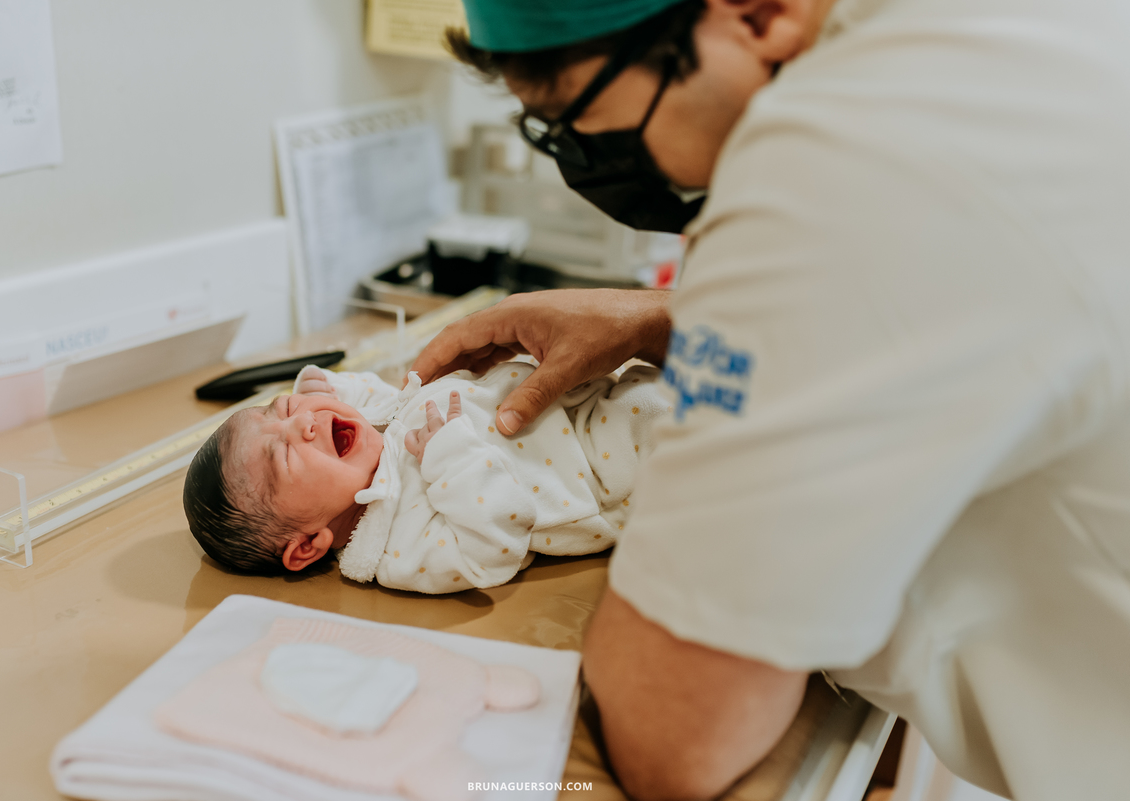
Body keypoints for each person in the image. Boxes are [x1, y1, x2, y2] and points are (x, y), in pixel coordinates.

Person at [410, 0, 1130, 798]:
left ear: (759, 14)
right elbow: (951, 299)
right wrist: (668, 318)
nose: (583, 161)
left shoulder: (838, 160)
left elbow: (676, 735)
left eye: (580, 122)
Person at [182, 363, 666, 593]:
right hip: (622, 467)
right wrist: (450, 460)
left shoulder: (366, 436)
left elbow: (373, 397)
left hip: (598, 386)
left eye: (279, 409)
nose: (300, 422)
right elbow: (496, 546)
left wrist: (321, 389)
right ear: (307, 545)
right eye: (282, 453)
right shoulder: (399, 547)